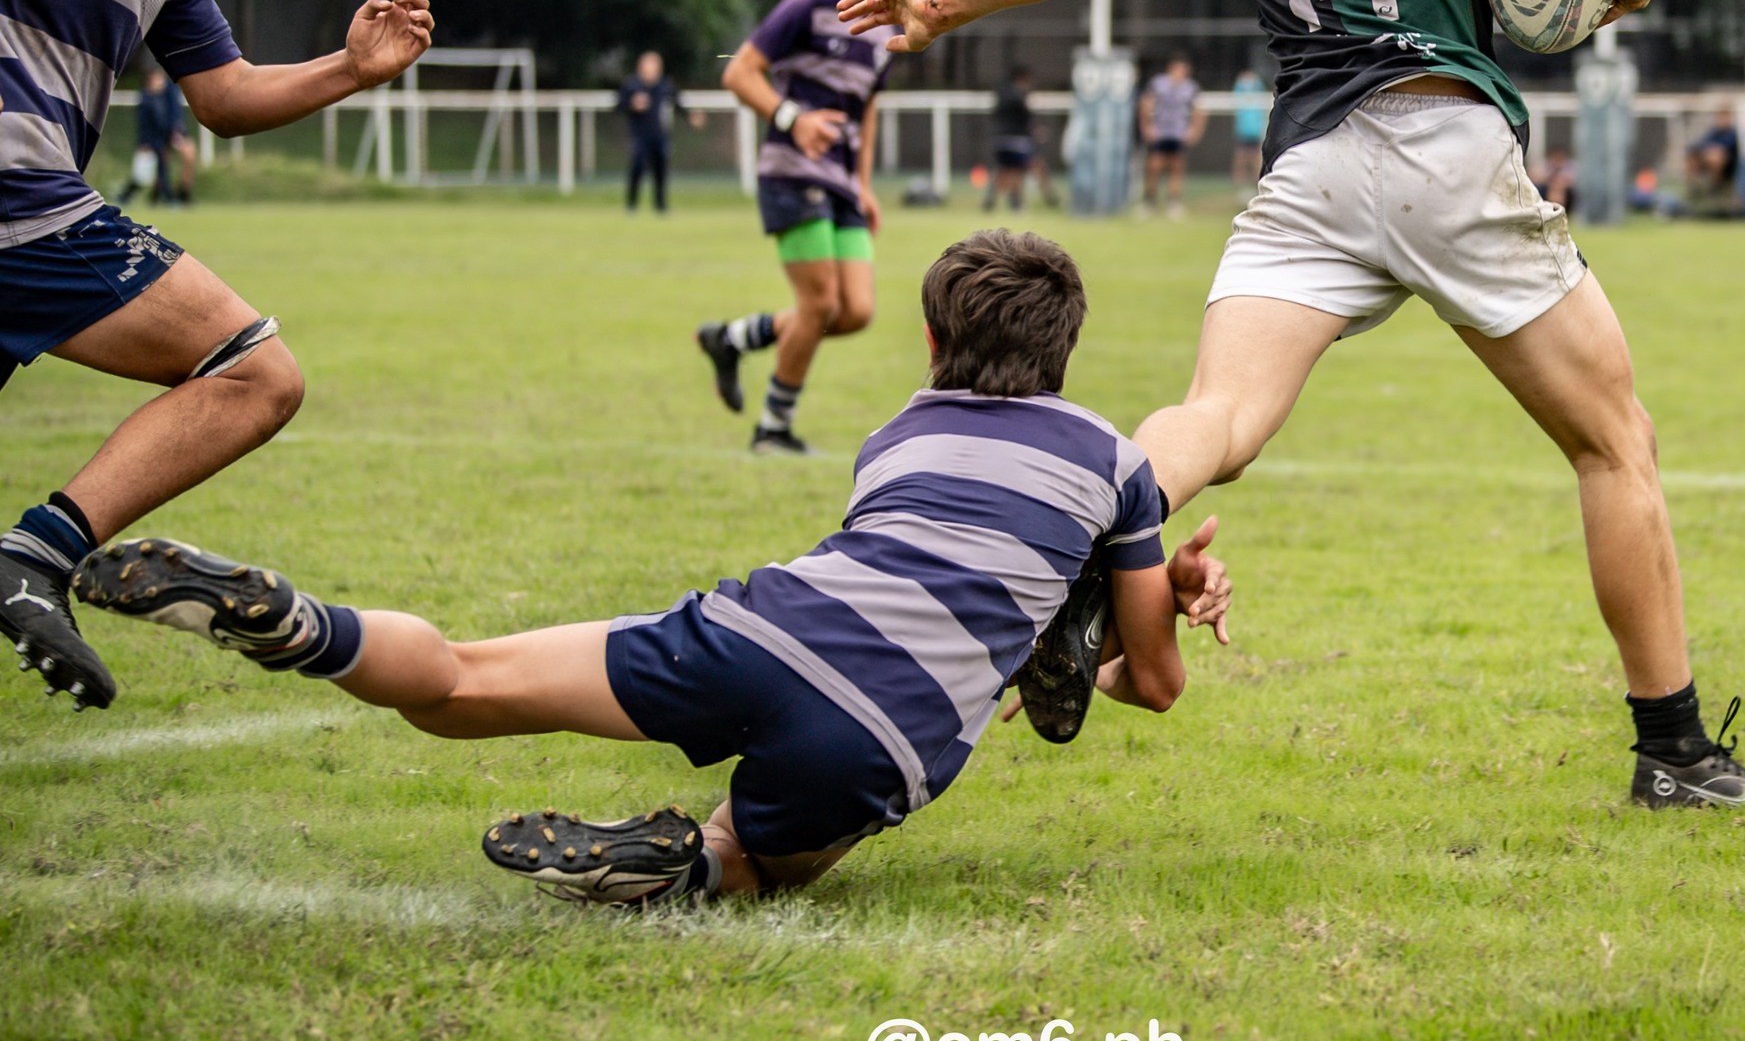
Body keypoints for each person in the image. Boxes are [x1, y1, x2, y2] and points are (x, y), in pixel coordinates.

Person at [841, 0, 1745, 809]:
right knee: (1613, 442)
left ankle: (1072, 571)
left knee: (1217, 419)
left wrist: (940, 1)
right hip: (1438, 139)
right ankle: (1673, 752)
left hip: (1307, 169)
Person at [69, 231, 1234, 906]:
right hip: (887, 728)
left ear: (931, 343)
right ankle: (693, 860)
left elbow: (942, 566)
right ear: (1065, 347)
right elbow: (1144, 683)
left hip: (769, 622)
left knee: (464, 684)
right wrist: (1153, 595)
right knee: (772, 856)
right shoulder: (1116, 462)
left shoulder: (899, 436)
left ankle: (307, 624)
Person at [0, 0, 434, 711]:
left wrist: (351, 65)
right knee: (256, 370)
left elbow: (225, 96)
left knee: (254, 373)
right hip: (20, 196)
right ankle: (34, 555)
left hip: (30, 202)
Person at [695, 0, 924, 455]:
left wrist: (864, 184)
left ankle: (732, 338)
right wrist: (792, 119)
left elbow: (866, 110)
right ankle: (774, 429)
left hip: (842, 180)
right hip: (791, 172)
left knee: (855, 312)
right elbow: (738, 71)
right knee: (819, 305)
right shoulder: (804, 8)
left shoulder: (886, 29)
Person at [115, 67, 195, 206]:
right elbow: (144, 125)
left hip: (169, 135)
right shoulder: (146, 100)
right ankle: (163, 198)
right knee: (150, 171)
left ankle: (177, 196)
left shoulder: (170, 93)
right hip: (155, 139)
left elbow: (175, 115)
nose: (159, 82)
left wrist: (175, 132)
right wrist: (144, 142)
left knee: (170, 164)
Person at [1139, 56, 1205, 219]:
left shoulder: (1190, 88)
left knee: (1176, 168)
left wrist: (1194, 131)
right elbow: (1145, 104)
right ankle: (1149, 202)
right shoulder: (1158, 84)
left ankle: (1173, 203)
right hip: (1160, 133)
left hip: (1178, 133)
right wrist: (1147, 127)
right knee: (1154, 167)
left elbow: (1199, 110)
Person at [985, 64, 1057, 212]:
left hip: (999, 139)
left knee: (1006, 170)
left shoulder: (1001, 94)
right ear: (1023, 78)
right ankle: (1029, 202)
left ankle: (992, 199)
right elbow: (1027, 117)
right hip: (1017, 141)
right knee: (1021, 170)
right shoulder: (1018, 96)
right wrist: (1036, 129)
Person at [617, 50, 674, 213]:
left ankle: (660, 205)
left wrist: (692, 115)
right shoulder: (632, 85)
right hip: (640, 135)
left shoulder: (665, 86)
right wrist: (633, 105)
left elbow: (678, 102)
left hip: (660, 135)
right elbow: (619, 105)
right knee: (637, 167)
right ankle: (631, 204)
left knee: (661, 170)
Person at [1685, 106, 1741, 215]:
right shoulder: (1713, 132)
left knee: (1716, 156)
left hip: (1728, 168)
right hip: (1708, 164)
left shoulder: (1732, 133)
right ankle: (1693, 188)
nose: (1722, 120)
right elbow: (1699, 144)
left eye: (1725, 117)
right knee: (1693, 156)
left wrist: (1712, 151)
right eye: (1720, 117)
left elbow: (1727, 149)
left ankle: (1714, 187)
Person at [1230, 66, 1269, 199]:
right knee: (1240, 161)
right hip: (1243, 133)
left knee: (1256, 162)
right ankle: (1239, 191)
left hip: (1255, 133)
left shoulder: (1258, 89)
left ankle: (1256, 190)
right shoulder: (1240, 89)